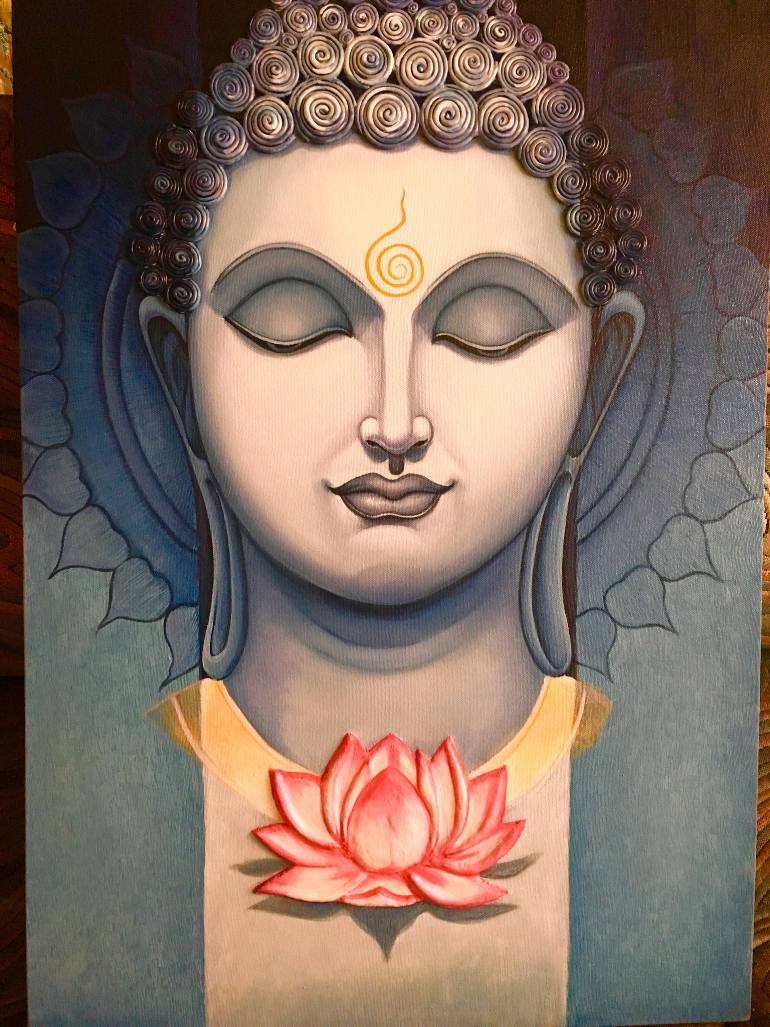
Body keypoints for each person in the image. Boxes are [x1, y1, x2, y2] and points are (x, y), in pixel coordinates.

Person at [133, 0, 646, 1021]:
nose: (396, 420)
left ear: (597, 381)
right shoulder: (109, 817)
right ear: (179, 378)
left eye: (487, 327)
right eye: (295, 321)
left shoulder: (656, 819)